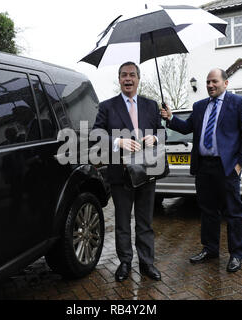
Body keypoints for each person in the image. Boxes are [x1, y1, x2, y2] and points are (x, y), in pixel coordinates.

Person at [161, 68, 242, 272]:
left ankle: (236, 254)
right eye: (207, 82)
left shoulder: (239, 103)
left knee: (233, 211)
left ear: (225, 83)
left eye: (214, 81)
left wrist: (240, 164)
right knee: (207, 211)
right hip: (204, 166)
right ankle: (210, 249)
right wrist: (170, 118)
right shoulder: (199, 106)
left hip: (227, 167)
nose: (210, 85)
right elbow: (187, 128)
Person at [92, 62, 164, 281]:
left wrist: (155, 137)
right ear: (119, 79)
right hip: (120, 174)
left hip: (146, 172)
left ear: (138, 79)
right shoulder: (107, 106)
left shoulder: (151, 106)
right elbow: (96, 132)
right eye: (124, 75)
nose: (128, 79)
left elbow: (162, 131)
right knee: (122, 222)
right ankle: (125, 263)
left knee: (145, 222)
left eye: (132, 75)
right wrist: (118, 141)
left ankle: (146, 263)